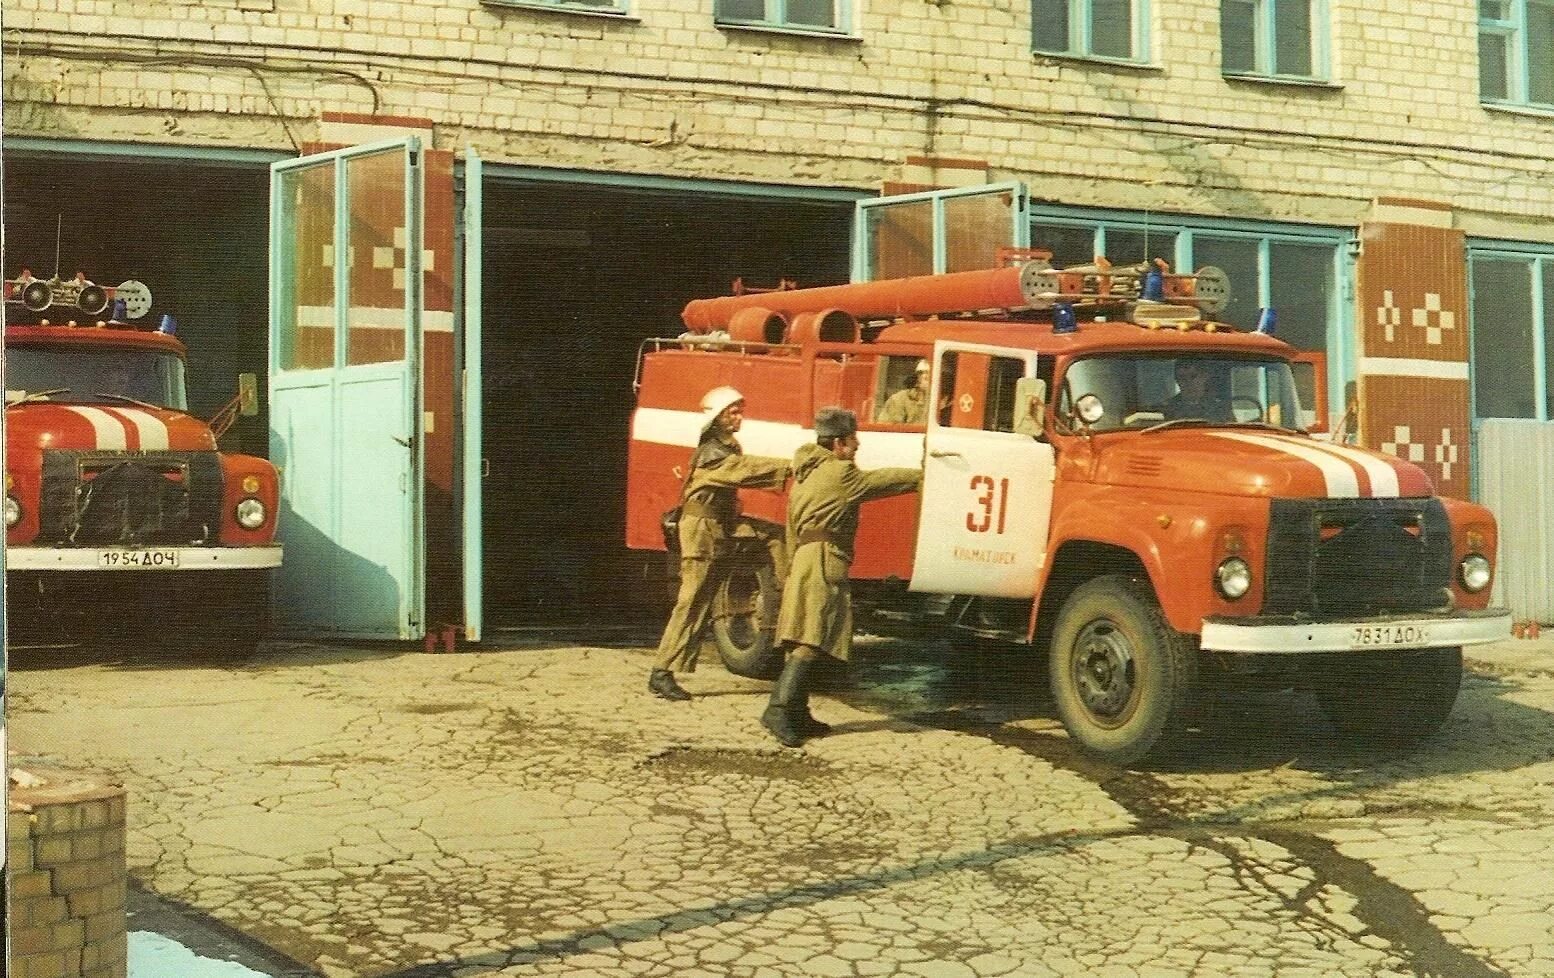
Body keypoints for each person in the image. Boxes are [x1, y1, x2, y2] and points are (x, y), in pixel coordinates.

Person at [761, 407, 921, 747]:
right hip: (823, 559)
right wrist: (923, 475)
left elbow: (791, 528)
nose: (857, 445)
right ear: (837, 444)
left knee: (802, 636)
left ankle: (797, 711)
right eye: (852, 440)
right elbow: (878, 482)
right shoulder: (840, 472)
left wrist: (790, 569)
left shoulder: (805, 474)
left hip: (805, 558)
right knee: (812, 638)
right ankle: (778, 708)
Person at [649, 386, 792, 701]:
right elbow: (742, 471)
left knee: (772, 534)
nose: (740, 417)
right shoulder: (713, 454)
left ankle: (788, 598)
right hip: (702, 531)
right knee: (692, 602)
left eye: (740, 410)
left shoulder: (727, 446)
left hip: (719, 525)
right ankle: (661, 671)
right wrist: (791, 466)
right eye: (733, 412)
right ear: (717, 419)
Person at [1163, 359, 1232, 422]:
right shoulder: (1167, 408)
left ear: (1204, 376)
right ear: (1177, 380)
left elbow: (1230, 432)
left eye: (1193, 376)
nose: (1188, 382)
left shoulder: (1220, 408)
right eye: (1182, 378)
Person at [877, 359, 931, 425]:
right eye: (920, 373)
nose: (924, 376)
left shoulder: (945, 401)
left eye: (929, 372)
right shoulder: (898, 399)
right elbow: (887, 430)